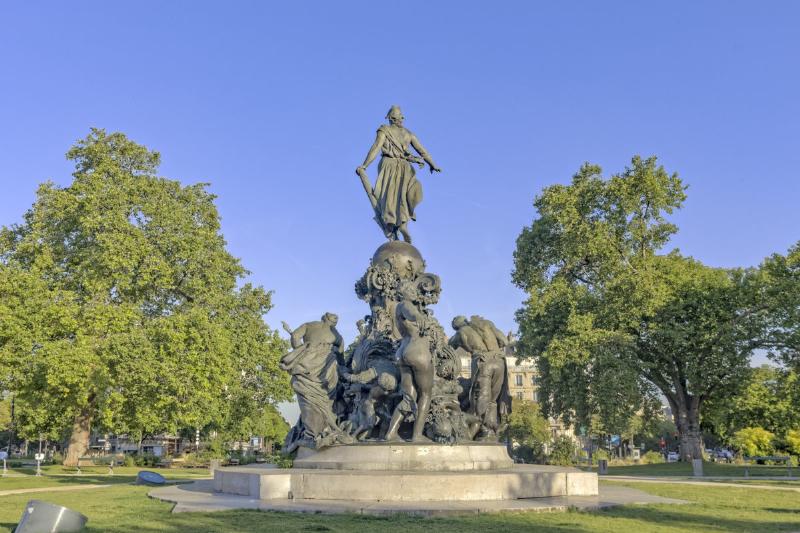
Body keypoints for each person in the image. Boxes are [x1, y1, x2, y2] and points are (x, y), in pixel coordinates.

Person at [356, 106, 441, 243]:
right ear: (400, 118)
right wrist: (433, 164)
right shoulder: (409, 134)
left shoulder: (384, 130)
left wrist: (364, 165)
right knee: (402, 197)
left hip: (389, 166)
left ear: (390, 119)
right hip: (405, 167)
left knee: (389, 198)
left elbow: (376, 148)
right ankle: (402, 225)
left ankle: (392, 225)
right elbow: (422, 151)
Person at [384, 281, 435, 442]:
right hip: (417, 351)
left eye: (413, 289)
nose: (413, 292)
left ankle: (391, 433)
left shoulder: (397, 308)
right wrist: (419, 316)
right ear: (403, 293)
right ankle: (417, 435)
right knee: (426, 393)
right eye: (409, 290)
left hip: (402, 352)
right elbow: (411, 312)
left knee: (409, 396)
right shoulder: (405, 305)